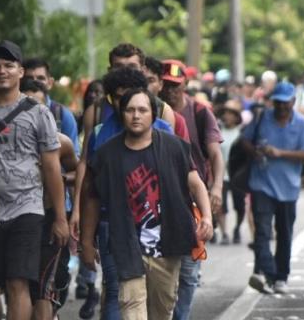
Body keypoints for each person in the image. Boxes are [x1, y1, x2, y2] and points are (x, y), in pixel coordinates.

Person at [0, 40, 69, 320]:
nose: (2, 70)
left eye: (9, 65)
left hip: (27, 210)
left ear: (20, 72)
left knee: (18, 283)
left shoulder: (39, 113)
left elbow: (53, 167)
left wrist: (60, 218)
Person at [80, 89, 213, 320]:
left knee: (161, 312)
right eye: (130, 110)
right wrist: (86, 241)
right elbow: (92, 197)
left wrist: (208, 218)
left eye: (142, 110)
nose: (136, 115)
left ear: (154, 114)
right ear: (122, 115)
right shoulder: (107, 154)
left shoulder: (173, 147)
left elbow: (196, 184)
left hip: (167, 246)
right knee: (132, 310)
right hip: (126, 246)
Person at [80, 67, 175, 320]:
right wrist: (86, 240)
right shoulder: (101, 134)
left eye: (135, 101)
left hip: (158, 230)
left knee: (161, 303)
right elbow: (90, 191)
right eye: (120, 98)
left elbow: (184, 179)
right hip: (113, 224)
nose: (130, 109)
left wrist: (201, 219)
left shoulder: (165, 130)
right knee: (117, 291)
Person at [158, 59, 224, 320]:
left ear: (185, 84)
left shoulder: (199, 112)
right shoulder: (151, 111)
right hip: (162, 198)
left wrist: (217, 187)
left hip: (193, 200)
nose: (171, 90)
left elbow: (215, 155)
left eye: (176, 85)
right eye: (167, 85)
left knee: (189, 272)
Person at [242, 81, 304, 295]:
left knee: (284, 233)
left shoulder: (303, 124)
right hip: (261, 184)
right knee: (262, 232)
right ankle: (268, 273)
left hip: (288, 188)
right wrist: (255, 151)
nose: (282, 107)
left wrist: (280, 153)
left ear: (293, 102)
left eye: (286, 103)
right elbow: (245, 140)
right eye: (278, 102)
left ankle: (280, 275)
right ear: (273, 102)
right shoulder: (262, 117)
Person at [20, 79, 80, 320]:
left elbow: (79, 173)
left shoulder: (60, 142)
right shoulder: (5, 142)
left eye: (39, 106)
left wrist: (58, 177)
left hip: (49, 219)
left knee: (45, 289)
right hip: (12, 221)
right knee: (20, 286)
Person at [23, 57, 81, 156]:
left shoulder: (63, 115)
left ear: (50, 83)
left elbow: (74, 160)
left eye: (40, 78)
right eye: (29, 79)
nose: (35, 82)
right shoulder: (12, 111)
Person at [216, 99, 246, 244]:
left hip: (237, 175)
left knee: (239, 206)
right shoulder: (217, 131)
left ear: (236, 117)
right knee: (221, 205)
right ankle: (225, 233)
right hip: (221, 174)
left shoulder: (241, 133)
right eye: (225, 113)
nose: (227, 116)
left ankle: (237, 228)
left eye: (231, 113)